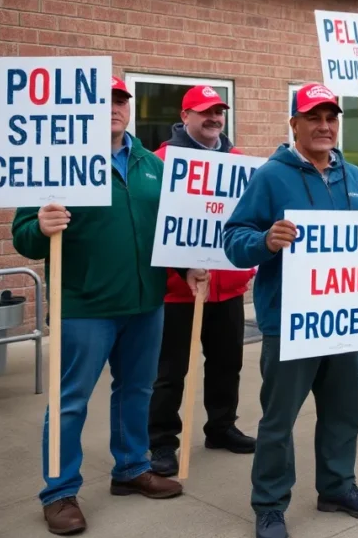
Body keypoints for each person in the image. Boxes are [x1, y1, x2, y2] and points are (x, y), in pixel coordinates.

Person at [12, 76, 207, 535]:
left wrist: (188, 267)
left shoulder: (152, 164)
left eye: (121, 100)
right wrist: (40, 224)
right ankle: (59, 492)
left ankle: (132, 467)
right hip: (84, 307)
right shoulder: (57, 163)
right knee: (69, 401)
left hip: (145, 304)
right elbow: (23, 238)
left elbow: (169, 232)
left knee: (137, 390)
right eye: (104, 101)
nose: (114, 108)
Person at [223, 83, 358, 538]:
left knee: (343, 411)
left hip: (343, 318)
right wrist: (265, 241)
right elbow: (234, 240)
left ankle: (338, 487)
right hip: (290, 321)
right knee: (279, 419)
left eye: (331, 118)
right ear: (294, 124)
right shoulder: (271, 176)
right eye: (313, 118)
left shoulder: (357, 178)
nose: (324, 127)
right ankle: (269, 504)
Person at [148, 85, 257, 478]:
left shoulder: (238, 161)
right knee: (169, 371)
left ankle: (221, 427)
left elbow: (251, 219)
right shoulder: (162, 163)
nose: (214, 118)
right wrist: (182, 269)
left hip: (226, 289)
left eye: (219, 111)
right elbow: (155, 229)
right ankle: (161, 441)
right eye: (204, 111)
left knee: (227, 364)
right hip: (180, 292)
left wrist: (248, 267)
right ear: (185, 117)